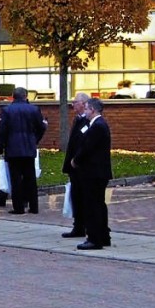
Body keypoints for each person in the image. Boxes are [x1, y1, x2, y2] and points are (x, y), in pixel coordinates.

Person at [69, 97, 113, 250]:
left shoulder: (97, 126)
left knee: (92, 205)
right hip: (97, 172)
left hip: (94, 173)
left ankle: (94, 238)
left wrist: (76, 160)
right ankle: (103, 236)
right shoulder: (96, 125)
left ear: (93, 110)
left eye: (87, 108)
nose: (85, 111)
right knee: (98, 204)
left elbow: (87, 148)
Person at [0, 87, 47, 215]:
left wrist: (0, 147)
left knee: (15, 179)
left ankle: (18, 208)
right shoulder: (34, 110)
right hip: (29, 148)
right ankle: (34, 207)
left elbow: (2, 131)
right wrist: (35, 140)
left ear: (13, 97)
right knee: (31, 178)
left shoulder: (7, 110)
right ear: (25, 96)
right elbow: (41, 127)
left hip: (13, 149)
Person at [59, 92, 92, 238]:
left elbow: (85, 144)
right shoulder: (77, 120)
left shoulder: (88, 122)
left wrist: (77, 160)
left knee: (84, 196)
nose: (73, 105)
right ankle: (78, 225)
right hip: (74, 165)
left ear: (84, 103)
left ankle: (84, 225)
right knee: (76, 196)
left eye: (75, 102)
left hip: (82, 166)